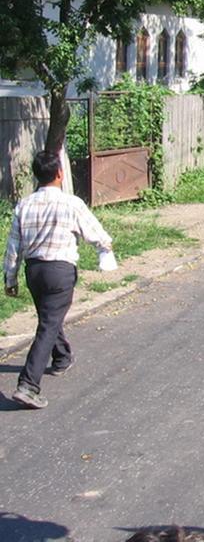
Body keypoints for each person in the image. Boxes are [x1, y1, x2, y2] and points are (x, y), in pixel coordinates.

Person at [4, 150, 116, 409]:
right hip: (59, 271)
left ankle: (62, 357)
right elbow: (94, 232)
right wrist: (106, 249)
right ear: (59, 173)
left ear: (36, 176)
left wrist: (10, 278)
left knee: (49, 318)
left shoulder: (24, 205)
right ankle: (28, 385)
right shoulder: (71, 203)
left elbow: (13, 246)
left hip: (34, 272)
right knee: (49, 323)